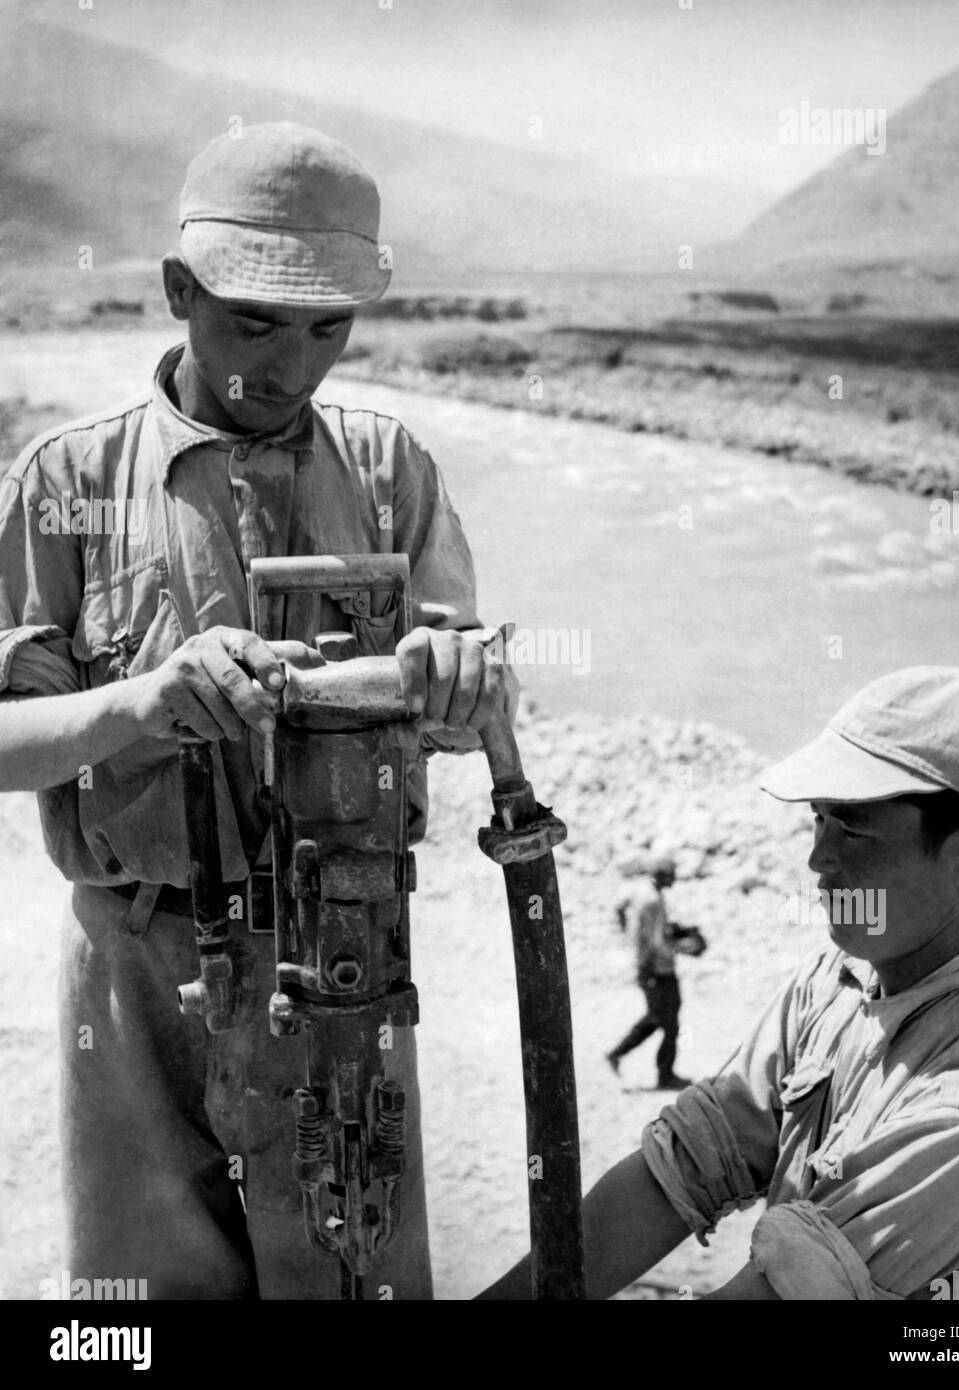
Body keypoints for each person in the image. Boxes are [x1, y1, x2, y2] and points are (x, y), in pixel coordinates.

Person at [0, 123, 516, 1300]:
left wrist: (453, 681)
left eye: (327, 328)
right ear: (179, 290)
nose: (291, 366)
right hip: (134, 962)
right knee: (136, 1312)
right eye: (255, 323)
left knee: (354, 1282)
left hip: (345, 955)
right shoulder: (67, 484)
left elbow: (466, 694)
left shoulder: (392, 474)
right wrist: (140, 701)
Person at [482, 667, 959, 1299]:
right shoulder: (839, 981)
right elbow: (679, 1172)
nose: (818, 859)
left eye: (852, 829)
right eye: (818, 821)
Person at [606, 854, 702, 1090]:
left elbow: (622, 909)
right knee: (669, 1023)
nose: (674, 879)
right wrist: (683, 947)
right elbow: (658, 942)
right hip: (657, 970)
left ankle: (617, 1054)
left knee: (657, 1017)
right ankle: (664, 1074)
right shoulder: (652, 900)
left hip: (650, 967)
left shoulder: (643, 894)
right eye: (671, 874)